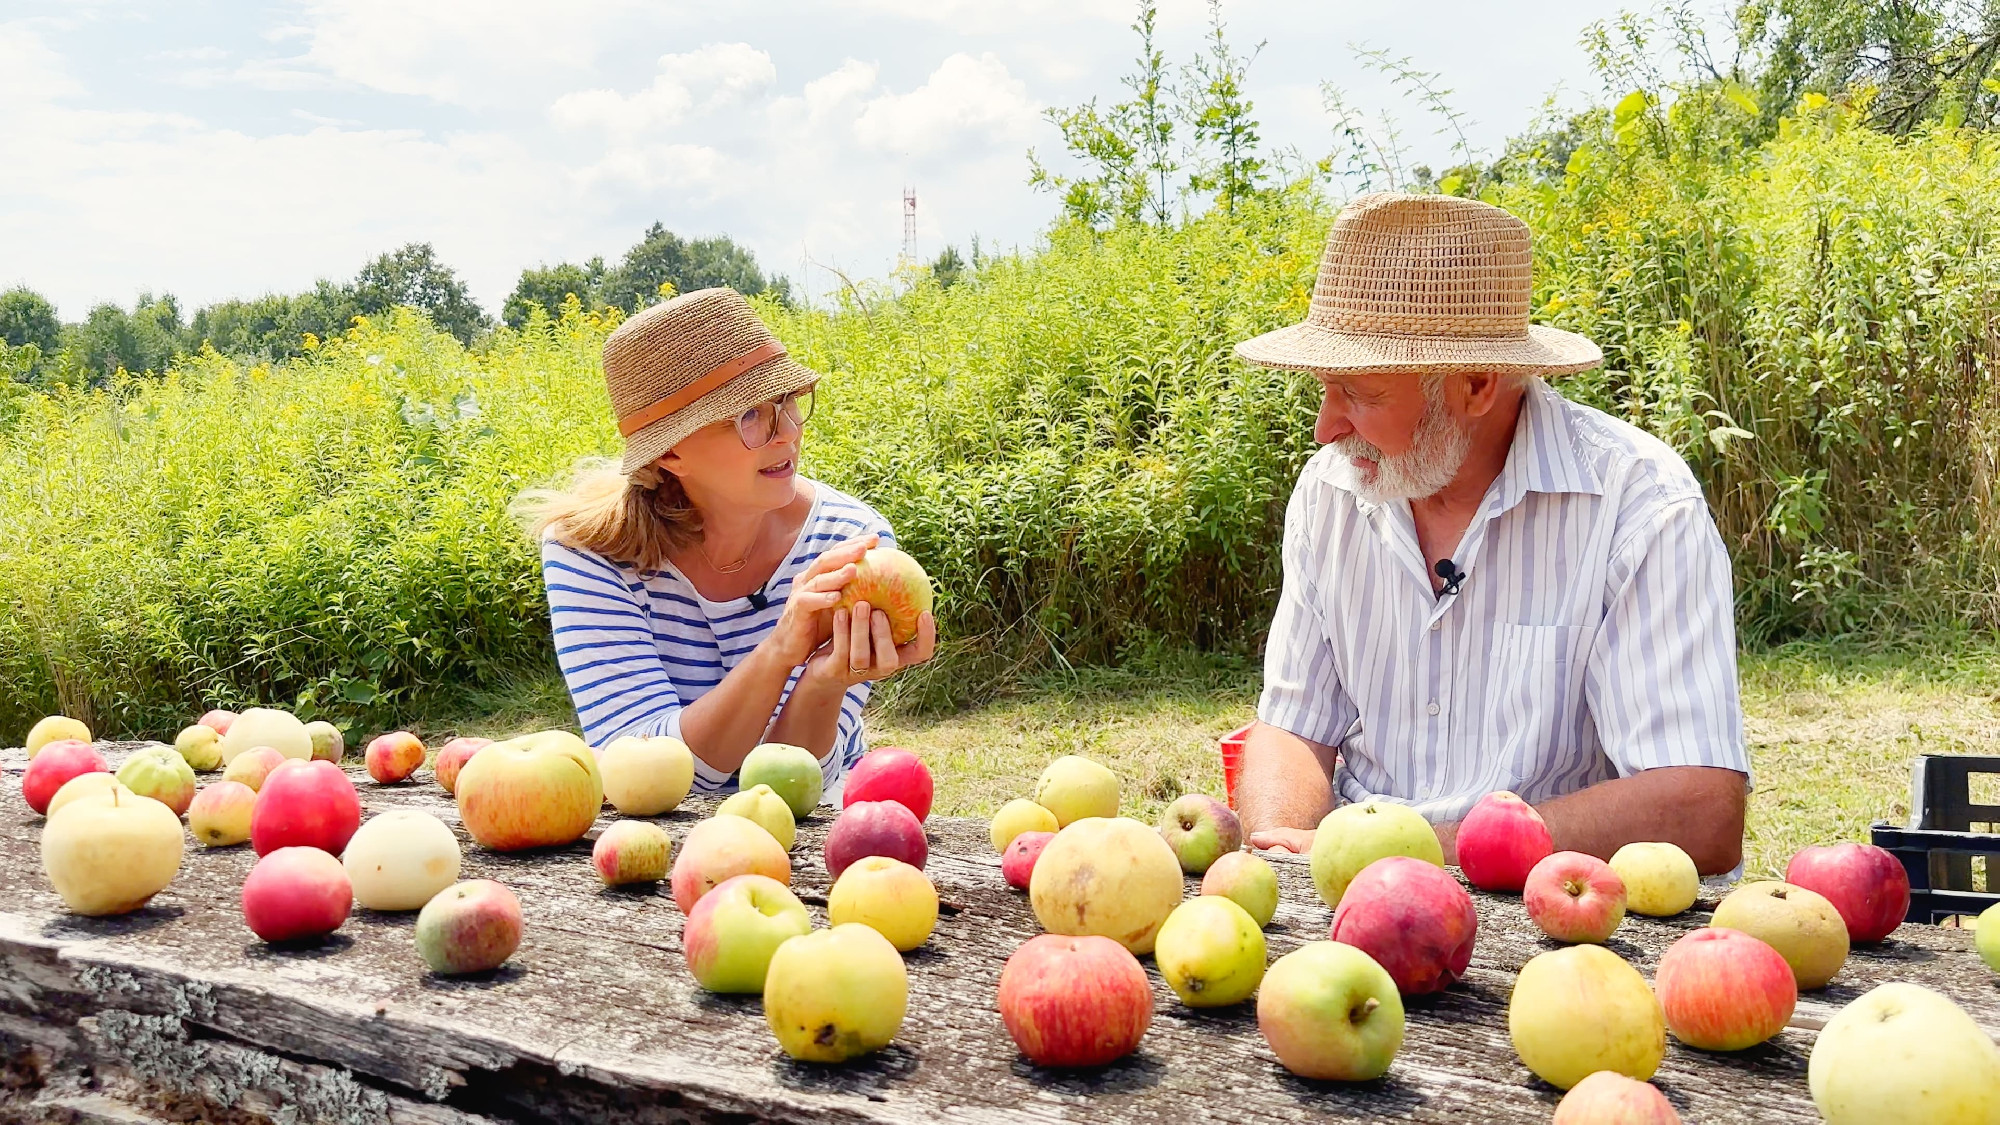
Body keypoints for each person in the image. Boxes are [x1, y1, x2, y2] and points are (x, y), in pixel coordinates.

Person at [1231, 192, 1748, 874]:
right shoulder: (1331, 491)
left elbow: (1699, 809)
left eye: (1358, 393)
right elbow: (1294, 725)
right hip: (1352, 904)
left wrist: (1420, 856)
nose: (1326, 428)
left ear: (1475, 384)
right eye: (1326, 391)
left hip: (1552, 920)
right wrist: (1282, 851)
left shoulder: (1640, 505)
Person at [520, 287, 936, 803]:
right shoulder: (587, 553)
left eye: (788, 401)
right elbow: (648, 772)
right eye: (750, 416)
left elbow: (788, 784)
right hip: (652, 837)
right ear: (670, 454)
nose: (786, 434)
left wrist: (823, 683)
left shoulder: (850, 544)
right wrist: (781, 650)